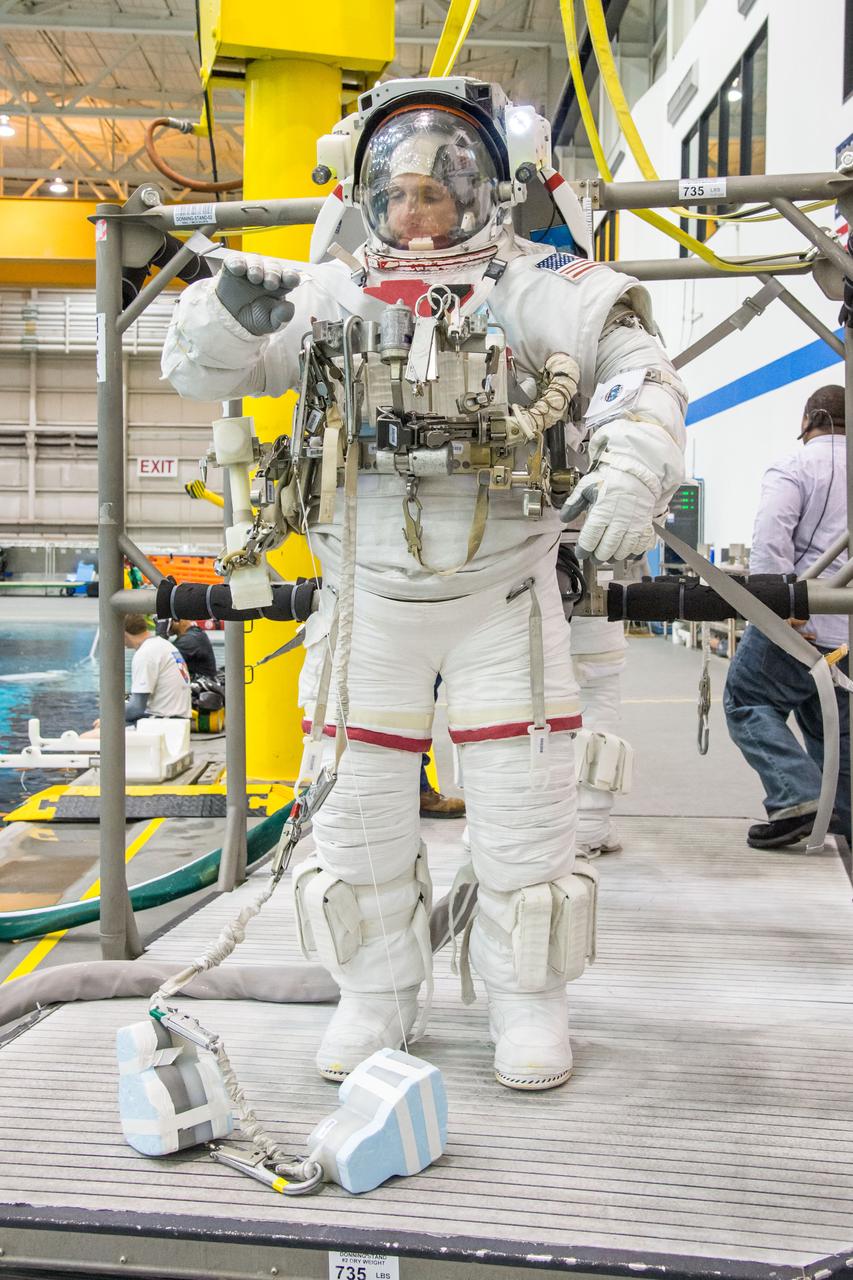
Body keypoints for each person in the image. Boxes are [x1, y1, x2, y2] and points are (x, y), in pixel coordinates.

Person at [162, 77, 686, 1090]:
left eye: (437, 188)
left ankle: (526, 1002)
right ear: (367, 195)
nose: (415, 210)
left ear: (485, 187)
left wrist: (633, 463)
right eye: (395, 192)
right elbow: (203, 370)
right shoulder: (332, 287)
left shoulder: (545, 286)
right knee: (354, 822)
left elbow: (639, 373)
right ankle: (376, 995)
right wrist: (228, 313)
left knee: (525, 822)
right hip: (368, 606)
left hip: (502, 601)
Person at [724, 385, 850, 849]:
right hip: (849, 634)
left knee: (748, 699)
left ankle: (798, 797)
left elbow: (771, 542)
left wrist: (776, 609)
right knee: (835, 728)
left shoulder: (796, 466)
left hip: (803, 625)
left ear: (810, 420)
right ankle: (846, 821)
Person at [122, 613, 191, 723]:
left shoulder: (145, 654)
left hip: (164, 724)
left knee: (98, 734)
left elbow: (136, 708)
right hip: (179, 720)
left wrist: (110, 718)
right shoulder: (163, 644)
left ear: (124, 634)